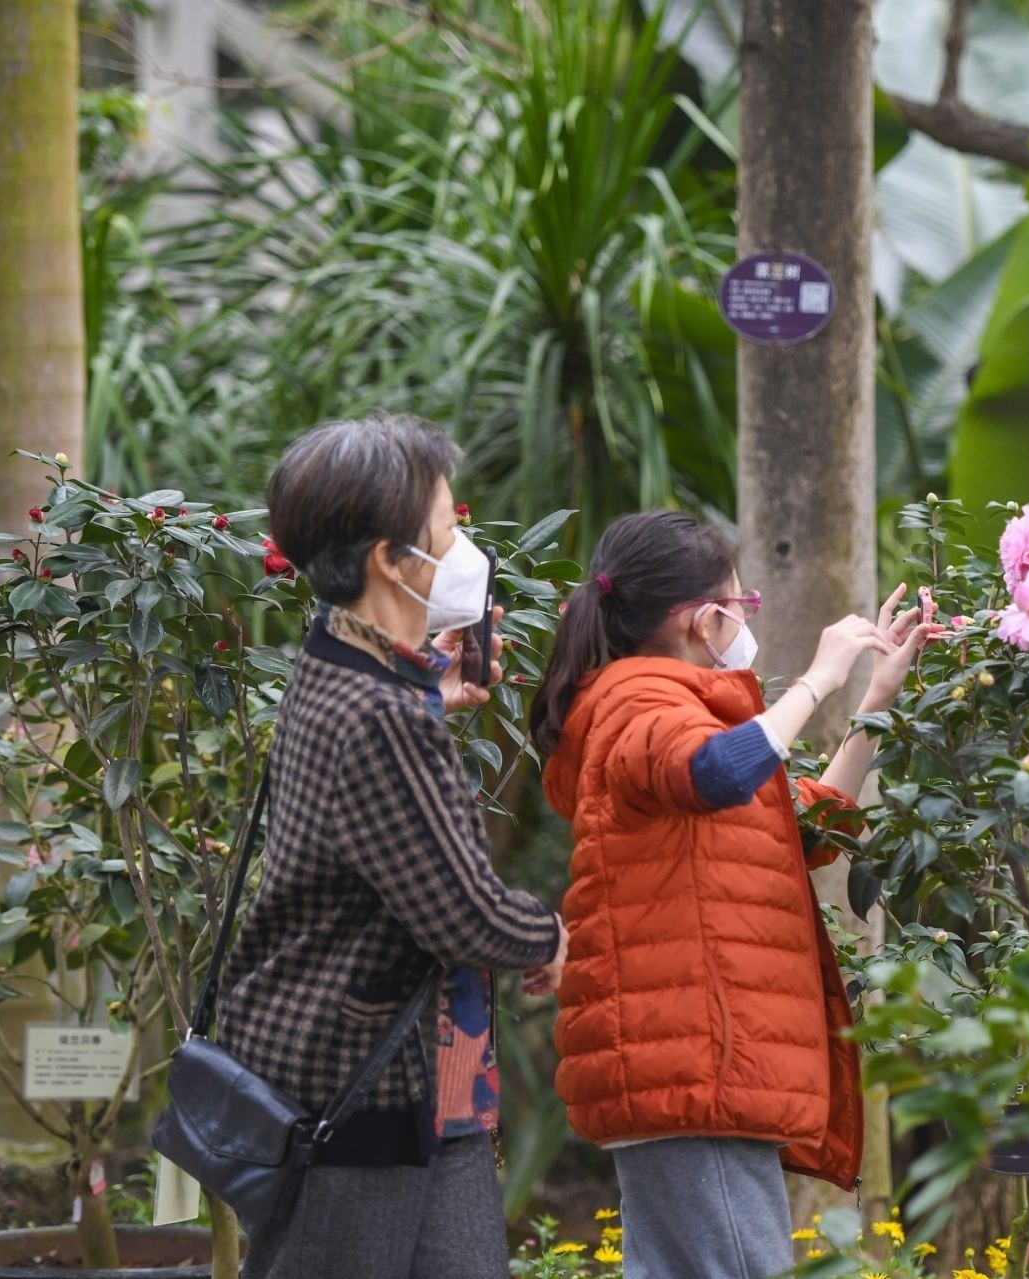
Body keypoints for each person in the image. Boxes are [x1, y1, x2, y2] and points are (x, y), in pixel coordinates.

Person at [531, 511, 937, 1279]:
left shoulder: (673, 705)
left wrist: (876, 696)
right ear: (700, 618)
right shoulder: (636, 702)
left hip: (697, 1068)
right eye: (739, 604)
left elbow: (801, 825)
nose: (746, 617)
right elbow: (718, 771)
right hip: (693, 1069)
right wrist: (819, 677)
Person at [221, 413, 567, 1279]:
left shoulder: (341, 661)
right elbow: (462, 913)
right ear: (389, 557)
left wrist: (428, 698)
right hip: (358, 1090)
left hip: (415, 1087)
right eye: (449, 529)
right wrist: (551, 936)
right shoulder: (379, 716)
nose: (463, 549)